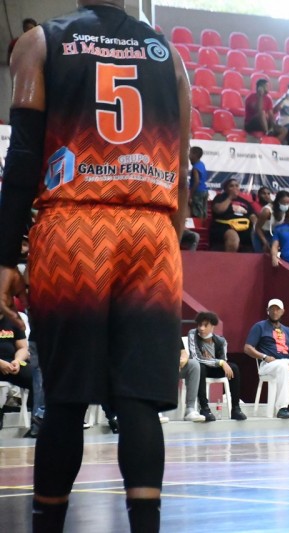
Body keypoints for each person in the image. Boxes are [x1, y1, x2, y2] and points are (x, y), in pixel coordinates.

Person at [0, 2, 191, 531]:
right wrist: (169, 240)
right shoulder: (169, 55)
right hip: (152, 229)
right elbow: (182, 169)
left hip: (74, 228)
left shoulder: (41, 42)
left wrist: (4, 255)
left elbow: (23, 157)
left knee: (64, 399)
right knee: (139, 403)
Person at [187, 312, 247, 422]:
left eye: (205, 325)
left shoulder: (221, 341)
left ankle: (236, 408)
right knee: (200, 367)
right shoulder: (192, 334)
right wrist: (220, 362)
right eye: (200, 325)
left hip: (214, 369)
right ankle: (204, 408)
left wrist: (220, 362)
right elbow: (196, 358)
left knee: (234, 368)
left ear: (212, 326)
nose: (201, 328)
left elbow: (224, 360)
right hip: (200, 369)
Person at [0, 309, 33, 430]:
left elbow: (23, 348)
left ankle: (38, 418)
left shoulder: (13, 318)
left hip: (11, 363)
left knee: (34, 375)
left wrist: (17, 361)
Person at [211, 178, 258, 252]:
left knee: (259, 235)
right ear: (226, 189)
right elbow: (218, 210)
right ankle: (229, 259)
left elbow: (252, 214)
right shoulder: (220, 198)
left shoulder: (245, 201)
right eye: (231, 186)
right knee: (233, 237)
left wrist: (255, 222)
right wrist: (230, 197)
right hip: (225, 226)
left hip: (244, 227)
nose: (234, 188)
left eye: (236, 186)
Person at [177, 345, 206, 423]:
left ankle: (190, 409)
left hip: (176, 365)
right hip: (160, 365)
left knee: (194, 365)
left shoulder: (174, 336)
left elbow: (183, 353)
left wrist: (183, 360)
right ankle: (155, 409)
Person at [188, 146, 209, 219]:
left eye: (190, 153)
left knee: (197, 213)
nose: (188, 155)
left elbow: (196, 181)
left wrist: (191, 195)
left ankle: (198, 224)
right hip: (204, 190)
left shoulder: (195, 168)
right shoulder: (201, 164)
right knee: (203, 211)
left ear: (195, 155)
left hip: (198, 192)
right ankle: (203, 223)